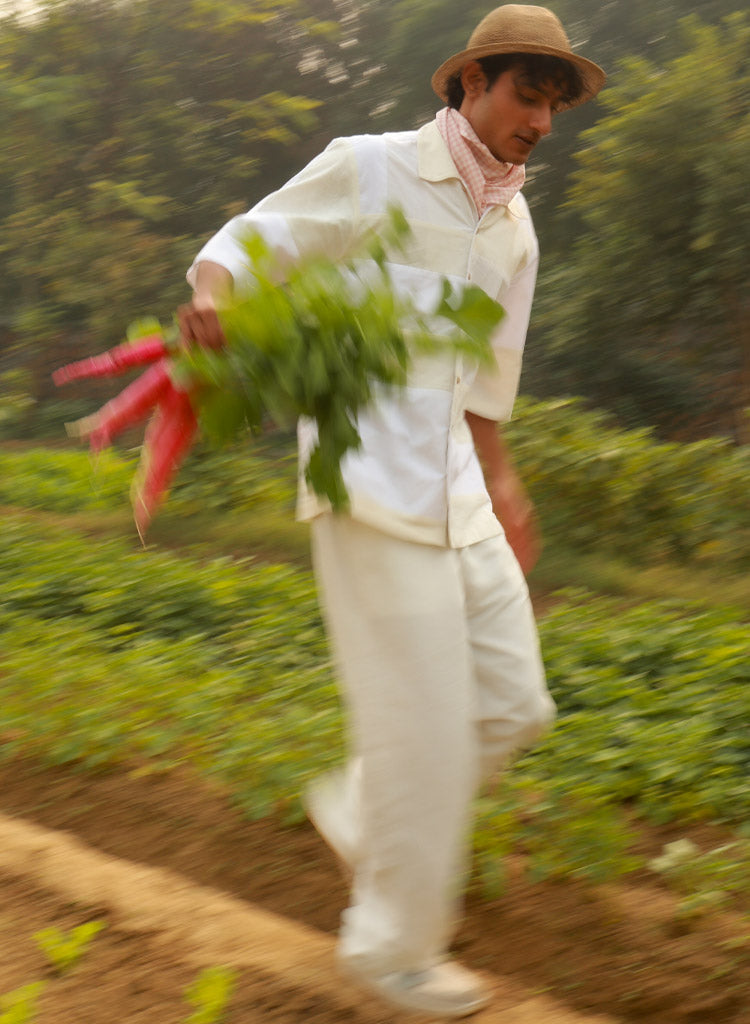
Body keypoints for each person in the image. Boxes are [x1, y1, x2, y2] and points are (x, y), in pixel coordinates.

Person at [179, 5, 605, 1017]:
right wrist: (216, 304)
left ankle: (364, 808)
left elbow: (487, 372)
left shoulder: (513, 222)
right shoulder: (373, 166)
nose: (539, 121)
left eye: (553, 104)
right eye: (524, 95)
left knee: (514, 706)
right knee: (429, 733)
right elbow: (252, 241)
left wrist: (504, 484)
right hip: (366, 484)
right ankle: (390, 951)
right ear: (471, 84)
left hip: (456, 481)